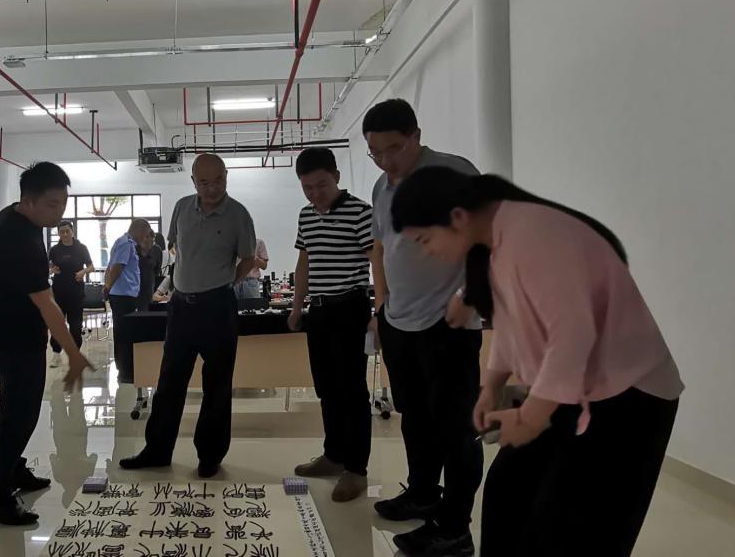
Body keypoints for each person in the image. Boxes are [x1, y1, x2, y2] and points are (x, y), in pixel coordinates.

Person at [391, 166, 684, 557]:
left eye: (425, 240)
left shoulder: (533, 235)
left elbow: (572, 338)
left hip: (626, 395)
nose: (427, 252)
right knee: (508, 494)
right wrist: (492, 386)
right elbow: (513, 327)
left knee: (570, 529)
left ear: (458, 217)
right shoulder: (495, 241)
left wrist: (530, 417)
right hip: (572, 391)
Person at [364, 98, 484, 556]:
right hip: (399, 322)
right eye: (375, 152)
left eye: (393, 148)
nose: (385, 160)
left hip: (446, 325)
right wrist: (381, 303)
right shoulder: (382, 187)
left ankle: (454, 528)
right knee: (415, 418)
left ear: (416, 136)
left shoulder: (453, 174)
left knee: (455, 429)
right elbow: (381, 247)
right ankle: (421, 494)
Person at [120, 154, 257, 478]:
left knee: (217, 384)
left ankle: (210, 456)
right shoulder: (182, 208)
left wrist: (225, 282)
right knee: (169, 381)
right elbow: (175, 248)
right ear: (194, 181)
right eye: (204, 182)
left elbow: (248, 259)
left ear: (226, 177)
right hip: (181, 307)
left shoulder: (238, 214)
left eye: (218, 181)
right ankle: (157, 450)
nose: (211, 189)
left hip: (218, 307)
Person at [0, 162, 94, 526]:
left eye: (64, 203)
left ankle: (13, 468)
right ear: (29, 201)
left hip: (5, 331)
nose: (60, 213)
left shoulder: (13, 218)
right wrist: (73, 353)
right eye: (53, 204)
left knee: (17, 407)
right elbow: (47, 304)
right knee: (20, 414)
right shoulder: (20, 240)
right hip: (14, 338)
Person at [286, 147, 375, 502]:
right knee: (326, 387)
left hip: (350, 307)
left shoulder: (361, 213)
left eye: (321, 185)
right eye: (307, 187)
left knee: (352, 390)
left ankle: (356, 469)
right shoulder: (305, 216)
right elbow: (303, 264)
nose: (314, 194)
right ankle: (334, 455)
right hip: (320, 311)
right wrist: (297, 307)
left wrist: (379, 311)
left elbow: (377, 262)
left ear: (336, 177)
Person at [104, 218, 152, 382]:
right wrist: (107, 287)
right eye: (145, 234)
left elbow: (110, 267)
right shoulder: (126, 243)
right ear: (139, 230)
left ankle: (124, 367)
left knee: (122, 332)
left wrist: (108, 287)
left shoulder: (124, 242)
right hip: (123, 296)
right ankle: (126, 369)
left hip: (122, 295)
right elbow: (117, 267)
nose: (145, 238)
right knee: (125, 333)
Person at [48, 221, 94, 367]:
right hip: (59, 292)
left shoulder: (81, 248)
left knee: (75, 325)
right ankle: (56, 353)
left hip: (76, 292)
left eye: (67, 231)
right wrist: (52, 270)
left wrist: (83, 272)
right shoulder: (55, 250)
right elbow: (48, 266)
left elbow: (91, 267)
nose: (65, 234)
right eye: (62, 232)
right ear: (58, 233)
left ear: (72, 231)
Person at [137, 226, 162, 310]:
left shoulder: (157, 250)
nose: (146, 242)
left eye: (151, 240)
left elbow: (157, 270)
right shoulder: (134, 249)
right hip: (134, 289)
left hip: (149, 289)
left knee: (147, 311)